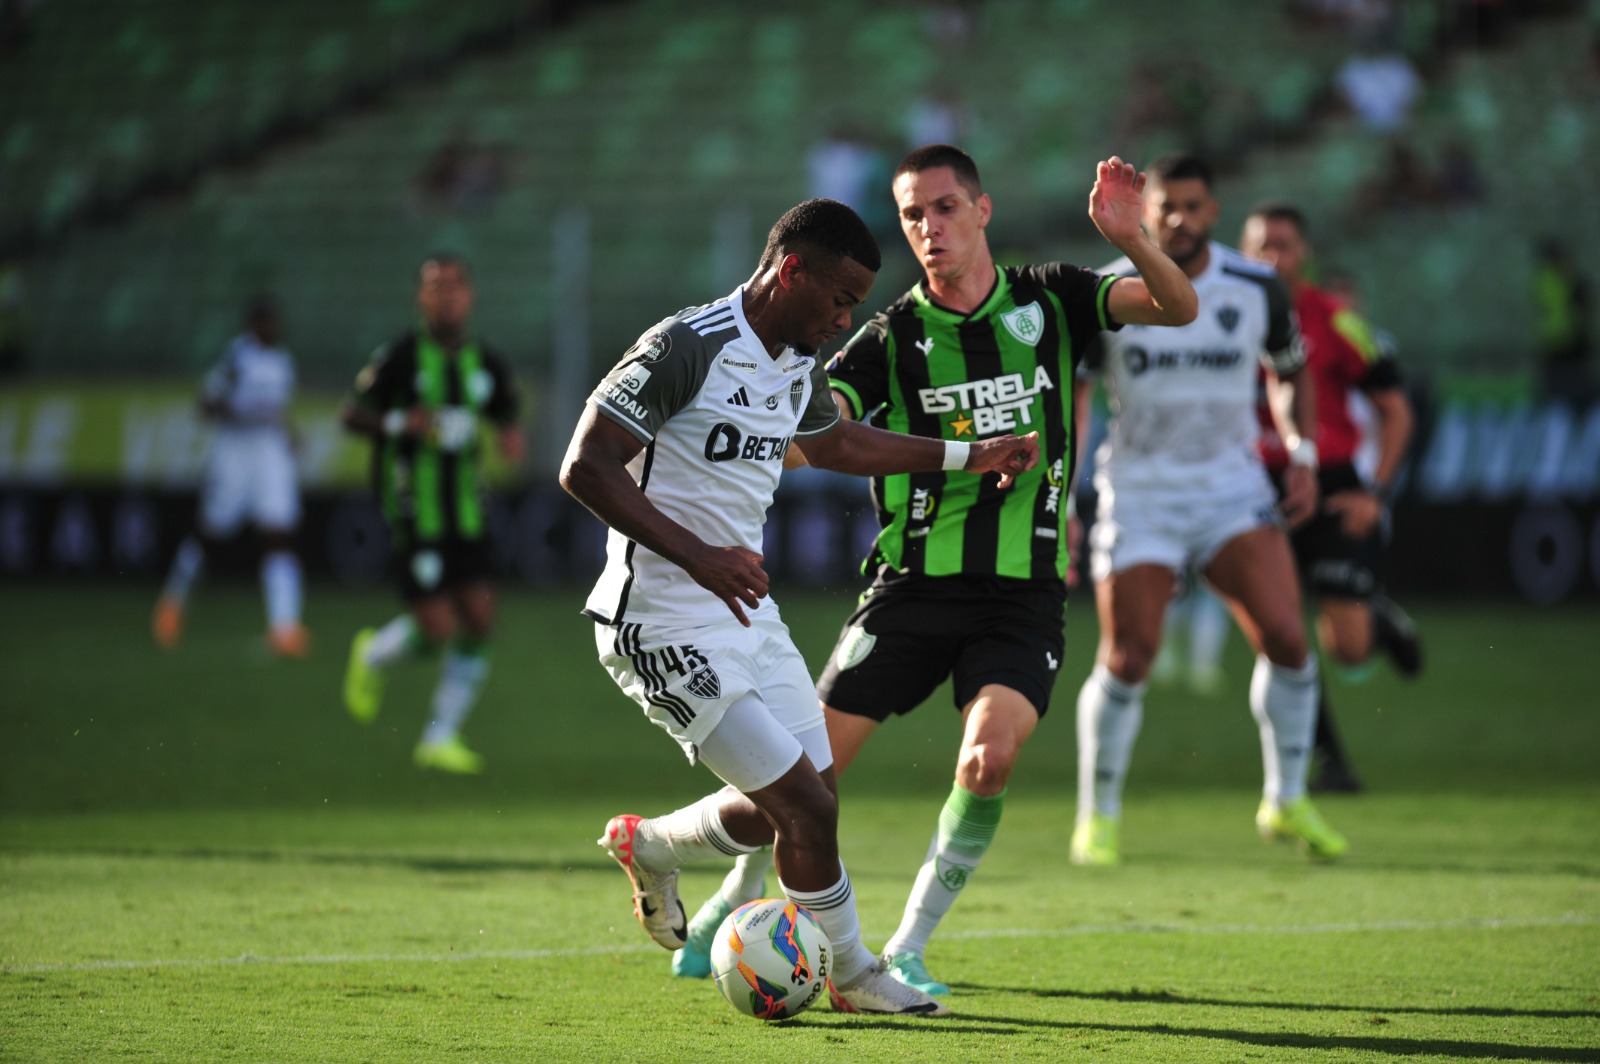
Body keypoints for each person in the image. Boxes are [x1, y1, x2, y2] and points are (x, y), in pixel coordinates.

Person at [668, 147, 1197, 998]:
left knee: (986, 761)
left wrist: (1130, 237)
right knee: (804, 779)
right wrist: (746, 442)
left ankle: (907, 945)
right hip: (908, 589)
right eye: (913, 215)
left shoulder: (1052, 297)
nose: (929, 228)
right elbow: (815, 435)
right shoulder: (890, 337)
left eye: (945, 207)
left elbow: (1178, 304)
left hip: (1021, 595)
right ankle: (736, 897)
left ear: (982, 211)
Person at [560, 197, 1041, 1017]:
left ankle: (650, 846)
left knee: (795, 800)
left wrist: (968, 454)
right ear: (791, 272)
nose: (846, 318)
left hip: (742, 614)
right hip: (658, 619)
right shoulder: (688, 346)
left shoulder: (792, 356)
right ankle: (855, 975)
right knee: (808, 805)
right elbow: (586, 465)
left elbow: (837, 444)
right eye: (840, 299)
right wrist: (701, 556)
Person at [1070, 153, 1347, 867]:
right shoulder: (1108, 291)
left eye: (1192, 207)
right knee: (1129, 657)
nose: (1178, 220)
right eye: (1166, 207)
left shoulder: (1257, 286)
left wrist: (1301, 452)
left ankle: (1286, 798)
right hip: (1141, 489)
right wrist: (1069, 493)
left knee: (1288, 637)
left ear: (1213, 211)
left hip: (1232, 488)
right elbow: (1076, 395)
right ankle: (1097, 815)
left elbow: (1289, 372)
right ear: (1147, 209)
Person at [1240, 203, 1420, 793]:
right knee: (1279, 634)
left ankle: (1377, 620)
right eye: (1261, 245)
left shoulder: (1338, 321)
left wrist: (1377, 494)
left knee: (1348, 649)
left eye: (1284, 245)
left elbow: (1396, 411)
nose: (1272, 257)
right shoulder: (1218, 317)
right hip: (1252, 490)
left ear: (1304, 254)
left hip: (1334, 484)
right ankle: (1329, 763)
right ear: (1243, 252)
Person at [339, 254, 523, 774]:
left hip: (467, 507)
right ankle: (373, 654)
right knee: (438, 626)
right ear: (422, 298)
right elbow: (352, 415)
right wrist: (403, 423)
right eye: (435, 286)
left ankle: (440, 736)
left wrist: (510, 437)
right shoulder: (400, 355)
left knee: (481, 617)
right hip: (414, 505)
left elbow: (507, 417)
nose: (447, 295)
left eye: (455, 286)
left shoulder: (484, 361)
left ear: (469, 295)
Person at [152, 298, 309, 657]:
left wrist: (291, 435)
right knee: (211, 535)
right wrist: (236, 411)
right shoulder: (237, 358)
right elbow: (205, 404)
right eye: (267, 323)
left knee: (279, 535)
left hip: (270, 455)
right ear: (253, 325)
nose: (274, 329)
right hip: (235, 456)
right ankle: (172, 603)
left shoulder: (284, 362)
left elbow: (277, 410)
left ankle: (285, 628)